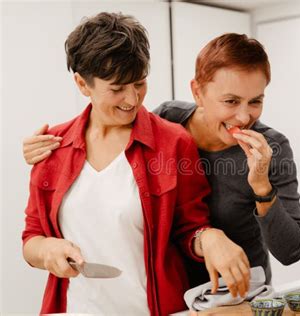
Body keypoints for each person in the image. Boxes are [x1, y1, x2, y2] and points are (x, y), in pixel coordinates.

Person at [23, 33, 300, 288]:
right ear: (197, 92)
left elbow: (291, 251)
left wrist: (261, 187)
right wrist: (47, 151)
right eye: (231, 101)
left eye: (255, 101)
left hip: (237, 293)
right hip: (171, 294)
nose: (244, 117)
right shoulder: (168, 123)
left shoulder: (272, 148)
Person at [21, 12, 250, 315]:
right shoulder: (51, 147)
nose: (133, 99)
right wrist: (47, 250)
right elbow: (31, 238)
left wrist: (210, 238)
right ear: (82, 84)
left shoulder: (173, 142)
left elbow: (189, 230)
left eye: (139, 83)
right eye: (117, 88)